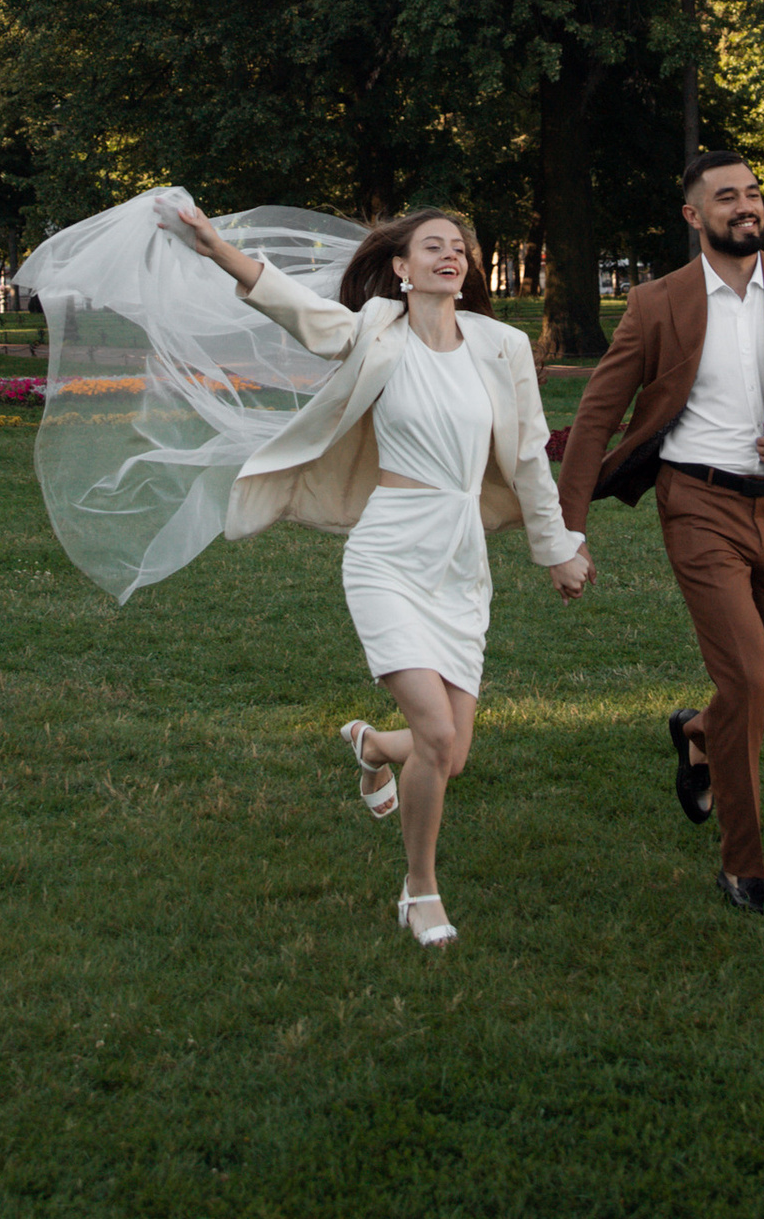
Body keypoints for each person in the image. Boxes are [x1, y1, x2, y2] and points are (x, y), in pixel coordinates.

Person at [173, 200, 594, 946]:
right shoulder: (376, 330)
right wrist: (215, 249)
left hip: (460, 562)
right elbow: (295, 309)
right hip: (387, 553)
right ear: (400, 269)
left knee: (449, 755)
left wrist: (555, 547)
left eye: (460, 247)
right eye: (433, 246)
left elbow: (529, 458)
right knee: (436, 734)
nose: (450, 255)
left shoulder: (502, 346)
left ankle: (373, 747)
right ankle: (420, 890)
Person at [555, 153, 764, 913]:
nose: (747, 207)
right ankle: (744, 865)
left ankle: (698, 733)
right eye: (727, 197)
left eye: (755, 194)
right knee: (747, 676)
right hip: (698, 506)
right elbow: (599, 415)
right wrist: (566, 532)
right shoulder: (657, 303)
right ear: (694, 216)